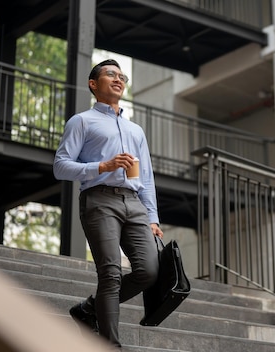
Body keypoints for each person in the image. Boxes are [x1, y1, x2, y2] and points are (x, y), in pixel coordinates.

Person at [53, 59, 163, 350]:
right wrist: (102, 166)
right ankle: (110, 344)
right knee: (111, 273)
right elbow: (60, 167)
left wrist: (152, 217)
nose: (118, 79)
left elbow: (147, 177)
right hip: (99, 200)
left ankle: (88, 309)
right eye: (110, 74)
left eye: (122, 76)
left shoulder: (136, 130)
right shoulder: (82, 121)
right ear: (93, 84)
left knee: (148, 271)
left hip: (134, 202)